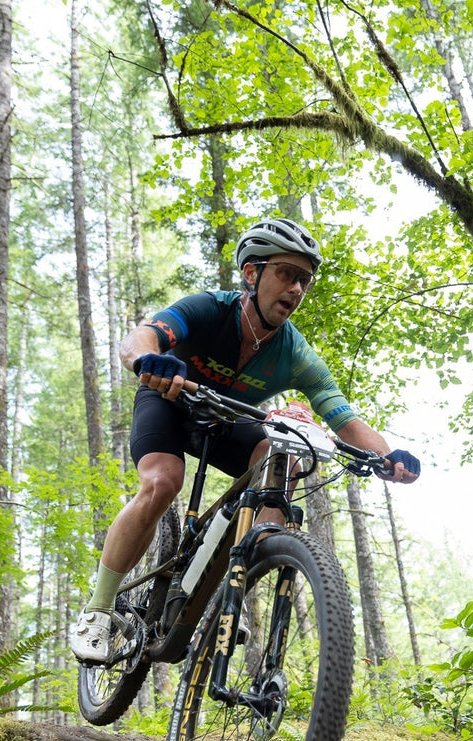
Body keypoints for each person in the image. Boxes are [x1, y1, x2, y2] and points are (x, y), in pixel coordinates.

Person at [70, 218, 420, 662]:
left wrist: (389, 457)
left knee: (282, 455)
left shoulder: (295, 352)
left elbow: (344, 417)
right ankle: (99, 608)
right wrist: (147, 360)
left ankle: (242, 580)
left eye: (304, 281)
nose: (296, 289)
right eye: (287, 274)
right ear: (253, 274)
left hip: (229, 418)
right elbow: (142, 336)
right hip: (170, 400)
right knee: (163, 481)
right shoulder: (209, 310)